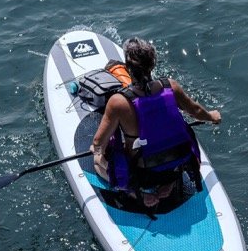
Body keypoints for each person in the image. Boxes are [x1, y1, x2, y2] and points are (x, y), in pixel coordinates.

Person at [92, 37, 221, 209]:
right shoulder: (171, 87)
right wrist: (212, 116)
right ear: (152, 64)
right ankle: (170, 184)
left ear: (127, 67)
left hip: (144, 173)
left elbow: (98, 142)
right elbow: (197, 112)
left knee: (97, 160)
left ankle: (133, 191)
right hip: (175, 165)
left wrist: (97, 150)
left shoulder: (119, 102)